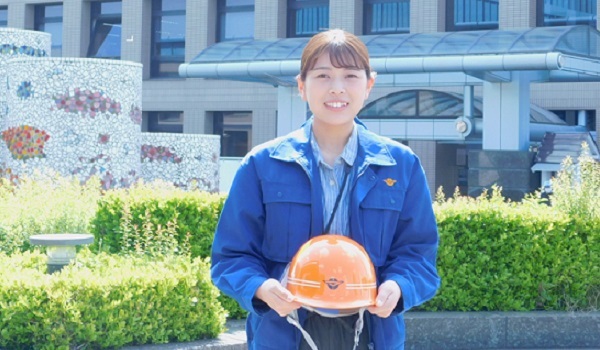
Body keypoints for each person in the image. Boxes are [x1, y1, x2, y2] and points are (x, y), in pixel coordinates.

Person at [211, 28, 440, 350]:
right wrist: (260, 287)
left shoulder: (400, 165)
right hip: (283, 330)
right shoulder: (262, 164)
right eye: (323, 76)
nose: (337, 88)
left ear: (369, 85)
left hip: (372, 331)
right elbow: (231, 255)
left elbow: (418, 253)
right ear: (302, 86)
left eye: (350, 76)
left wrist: (399, 286)